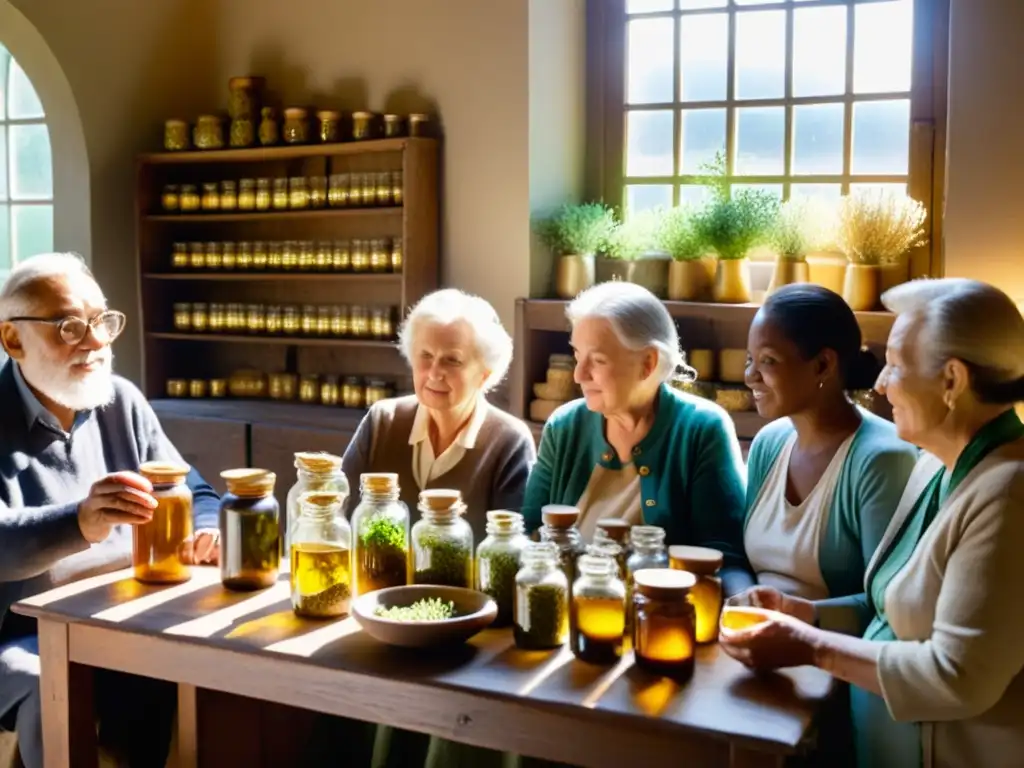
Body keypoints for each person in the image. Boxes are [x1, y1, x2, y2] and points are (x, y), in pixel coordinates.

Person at [721, 278, 1024, 768]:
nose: (880, 382)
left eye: (898, 365)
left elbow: (958, 677)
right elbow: (888, 611)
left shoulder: (1008, 494)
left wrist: (809, 646)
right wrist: (804, 612)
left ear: (952, 381)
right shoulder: (936, 466)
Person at [0, 253, 221, 768]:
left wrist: (208, 529)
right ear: (12, 340)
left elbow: (197, 490)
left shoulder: (119, 401)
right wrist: (81, 521)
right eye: (69, 327)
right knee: (48, 682)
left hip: (119, 618)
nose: (95, 342)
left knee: (210, 666)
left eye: (101, 321)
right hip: (17, 636)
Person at [521, 281, 748, 593]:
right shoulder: (564, 426)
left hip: (661, 615)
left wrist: (743, 607)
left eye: (597, 360)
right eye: (577, 355)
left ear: (648, 363)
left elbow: (724, 556)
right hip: (566, 613)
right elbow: (530, 532)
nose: (579, 375)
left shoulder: (702, 428)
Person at [739, 284, 917, 601]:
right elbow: (740, 561)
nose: (750, 375)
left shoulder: (881, 460)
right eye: (749, 359)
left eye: (767, 360)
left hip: (834, 646)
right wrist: (743, 603)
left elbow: (890, 604)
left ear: (823, 364)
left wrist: (793, 616)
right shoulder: (769, 443)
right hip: (758, 634)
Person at [342, 288, 536, 527]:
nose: (434, 373)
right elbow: (339, 512)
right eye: (425, 355)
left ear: (484, 375)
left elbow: (509, 548)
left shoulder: (509, 442)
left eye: (452, 360)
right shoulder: (383, 420)